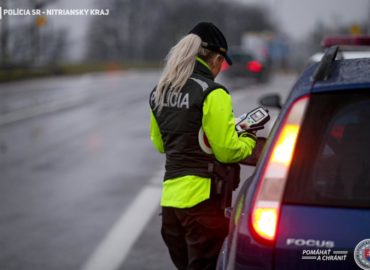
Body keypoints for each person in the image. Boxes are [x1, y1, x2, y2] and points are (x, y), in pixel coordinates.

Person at [149, 22, 257, 270]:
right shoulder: (213, 93)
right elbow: (227, 150)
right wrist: (249, 139)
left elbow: (160, 144)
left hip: (171, 207)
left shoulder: (160, 91)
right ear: (217, 58)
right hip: (204, 205)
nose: (221, 69)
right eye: (222, 62)